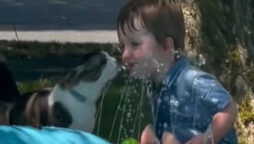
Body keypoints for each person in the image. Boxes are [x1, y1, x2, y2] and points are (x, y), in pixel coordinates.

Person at [116, 0, 238, 143]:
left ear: (167, 46)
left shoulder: (191, 80)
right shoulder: (156, 82)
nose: (124, 55)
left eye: (135, 44)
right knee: (149, 133)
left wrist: (206, 139)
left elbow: (230, 108)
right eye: (122, 46)